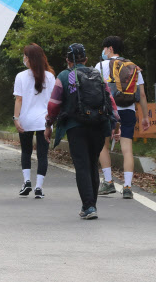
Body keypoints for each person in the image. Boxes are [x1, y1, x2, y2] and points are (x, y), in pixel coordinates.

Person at [45, 43, 120, 219]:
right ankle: (91, 205)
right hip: (98, 125)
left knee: (82, 166)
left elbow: (53, 104)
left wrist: (49, 125)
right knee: (93, 163)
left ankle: (89, 207)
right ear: (85, 59)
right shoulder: (97, 74)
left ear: (67, 60)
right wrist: (116, 122)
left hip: (75, 126)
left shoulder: (65, 76)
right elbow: (109, 100)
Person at [94, 36, 150, 199]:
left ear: (110, 48)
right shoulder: (133, 67)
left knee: (103, 146)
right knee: (127, 149)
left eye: (104, 48)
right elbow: (142, 94)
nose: (103, 51)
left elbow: (97, 89)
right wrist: (145, 116)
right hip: (128, 110)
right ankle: (127, 187)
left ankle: (109, 182)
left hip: (108, 111)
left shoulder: (100, 65)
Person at [13, 43, 55, 198]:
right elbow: (52, 101)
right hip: (44, 120)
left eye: (25, 56)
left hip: (26, 120)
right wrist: (51, 122)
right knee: (43, 155)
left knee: (26, 151)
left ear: (30, 59)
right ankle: (39, 187)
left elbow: (19, 99)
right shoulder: (50, 76)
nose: (24, 58)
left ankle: (26, 182)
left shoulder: (21, 76)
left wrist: (16, 119)